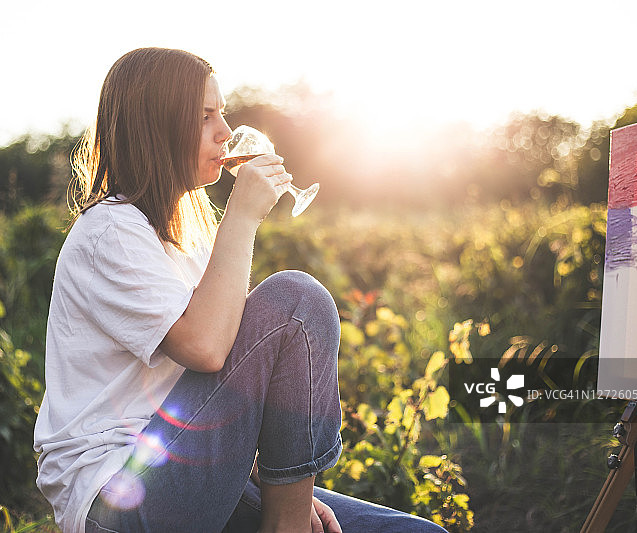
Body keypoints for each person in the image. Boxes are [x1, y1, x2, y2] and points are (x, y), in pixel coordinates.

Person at [33, 47, 447, 533]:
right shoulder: (110, 230)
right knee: (295, 301)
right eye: (205, 116)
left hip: (190, 469)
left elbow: (219, 393)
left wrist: (288, 493)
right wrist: (244, 214)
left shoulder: (186, 235)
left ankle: (286, 517)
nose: (225, 132)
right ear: (155, 127)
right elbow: (206, 349)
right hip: (119, 494)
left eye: (222, 113)